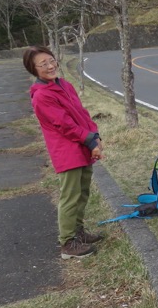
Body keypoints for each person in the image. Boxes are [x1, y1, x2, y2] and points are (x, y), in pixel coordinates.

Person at [23, 45, 104, 259]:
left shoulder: (64, 84)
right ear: (34, 69)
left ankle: (78, 232)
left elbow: (81, 113)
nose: (50, 66)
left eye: (51, 60)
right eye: (43, 64)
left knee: (83, 192)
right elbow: (64, 125)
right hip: (67, 151)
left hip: (82, 146)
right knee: (70, 196)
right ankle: (68, 243)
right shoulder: (41, 95)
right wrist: (89, 140)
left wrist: (95, 136)